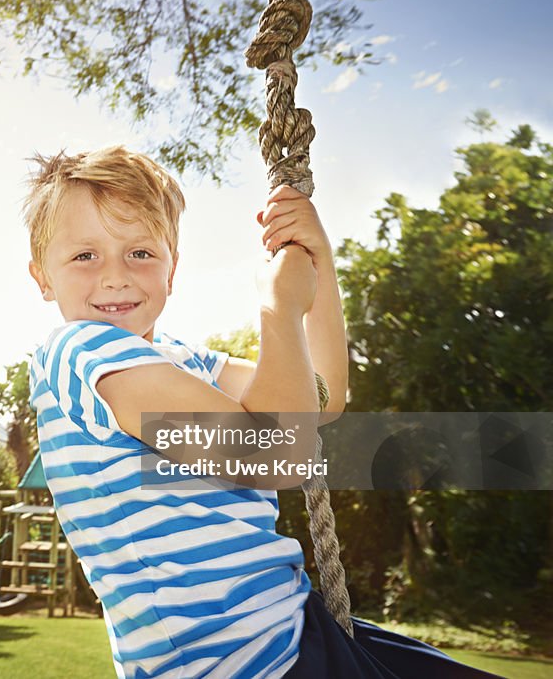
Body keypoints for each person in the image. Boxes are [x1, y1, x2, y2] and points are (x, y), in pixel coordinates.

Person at [24, 145, 502, 678]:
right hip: (242, 664)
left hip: (296, 628)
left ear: (172, 269)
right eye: (84, 256)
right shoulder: (81, 351)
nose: (115, 275)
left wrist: (318, 264)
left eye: (140, 252)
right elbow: (274, 455)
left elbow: (322, 394)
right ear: (42, 276)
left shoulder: (186, 362)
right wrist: (278, 309)